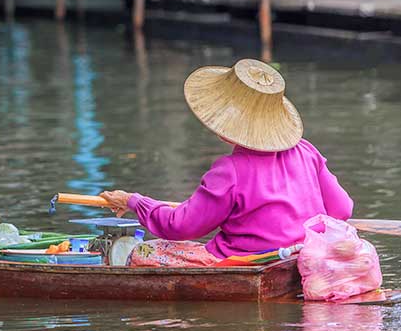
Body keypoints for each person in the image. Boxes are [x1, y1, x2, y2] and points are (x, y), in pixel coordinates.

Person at [98, 59, 354, 267]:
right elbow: (342, 209)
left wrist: (134, 202)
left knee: (143, 252)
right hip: (302, 256)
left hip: (247, 261)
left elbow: (181, 225)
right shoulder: (306, 151)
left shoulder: (229, 170)